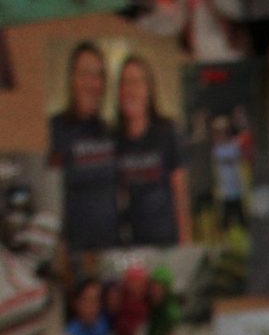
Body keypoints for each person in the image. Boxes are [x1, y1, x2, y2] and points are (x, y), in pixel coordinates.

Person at [47, 40, 117, 253]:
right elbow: (50, 196)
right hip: (75, 248)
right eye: (84, 73)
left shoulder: (110, 131)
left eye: (98, 75)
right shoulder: (55, 128)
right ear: (72, 79)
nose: (92, 83)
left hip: (113, 243)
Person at [112, 53, 188, 247]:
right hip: (133, 241)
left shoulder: (167, 130)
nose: (130, 89)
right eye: (125, 83)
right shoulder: (115, 138)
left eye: (137, 82)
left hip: (166, 238)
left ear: (149, 89)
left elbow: (179, 190)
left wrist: (185, 240)